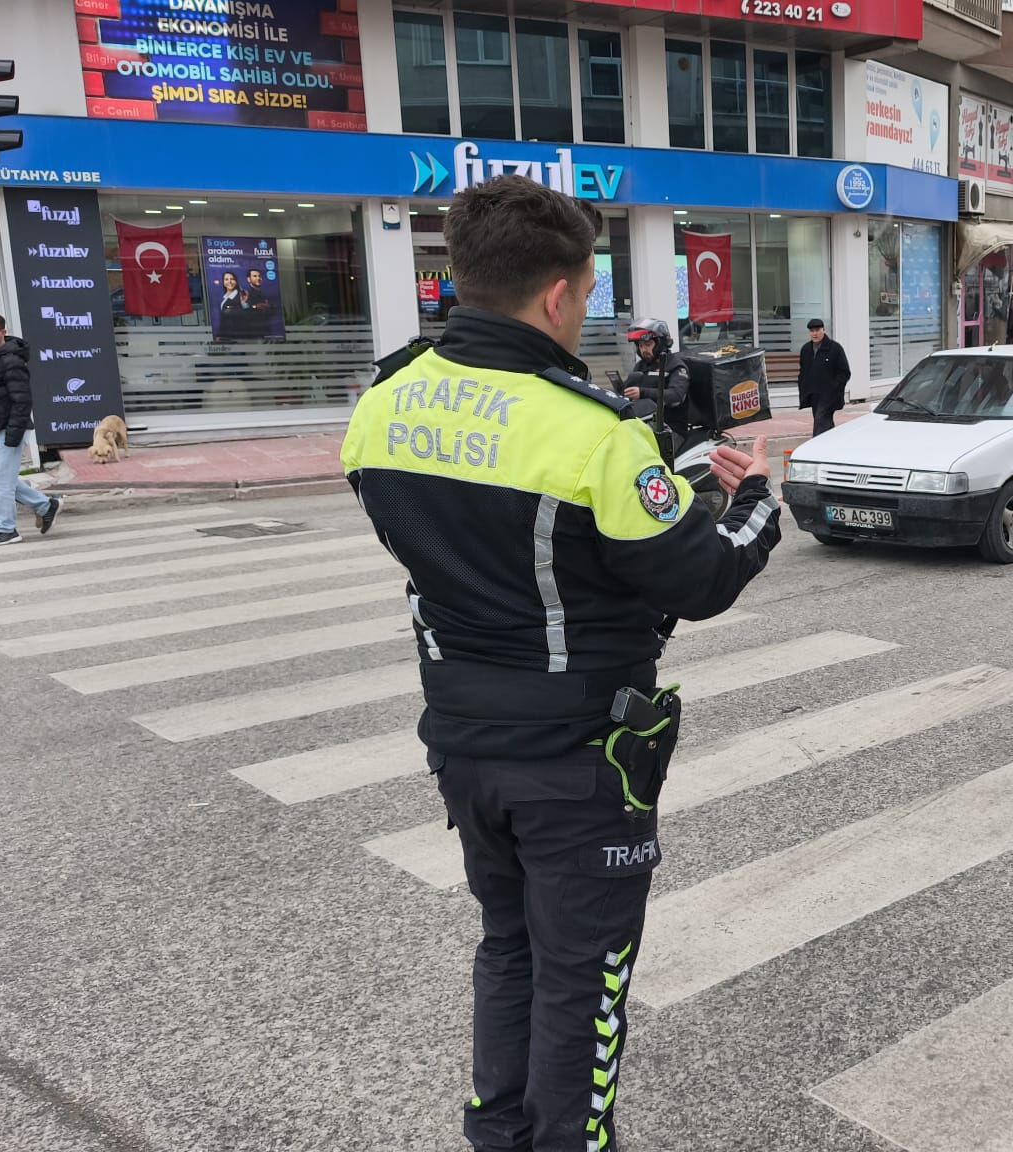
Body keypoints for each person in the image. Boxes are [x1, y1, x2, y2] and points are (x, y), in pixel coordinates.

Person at [339, 174, 781, 1152]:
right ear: (556, 294)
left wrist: (660, 485)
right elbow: (697, 579)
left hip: (462, 740)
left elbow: (474, 538)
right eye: (587, 292)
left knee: (508, 947)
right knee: (583, 977)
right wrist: (754, 507)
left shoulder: (382, 403)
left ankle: (496, 1136)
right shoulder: (595, 432)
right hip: (580, 761)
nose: (588, 312)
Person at [0, 312, 60, 547]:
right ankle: (45, 505)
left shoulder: (12, 360)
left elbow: (22, 400)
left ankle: (7, 529)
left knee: (0, 481)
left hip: (8, 427)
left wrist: (13, 434)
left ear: (2, 331)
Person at [620, 319, 694, 452]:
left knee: (647, 456)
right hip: (646, 424)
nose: (644, 350)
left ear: (661, 343)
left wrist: (642, 393)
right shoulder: (641, 366)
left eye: (648, 344)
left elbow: (676, 395)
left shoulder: (676, 366)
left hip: (670, 430)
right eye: (640, 346)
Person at [797, 317, 852, 437]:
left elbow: (845, 372)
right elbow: (803, 370)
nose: (815, 333)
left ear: (823, 330)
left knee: (820, 420)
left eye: (817, 330)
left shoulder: (835, 348)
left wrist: (834, 387)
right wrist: (803, 385)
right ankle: (831, 444)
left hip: (830, 394)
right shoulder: (806, 349)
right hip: (813, 394)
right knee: (824, 422)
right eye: (812, 331)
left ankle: (815, 449)